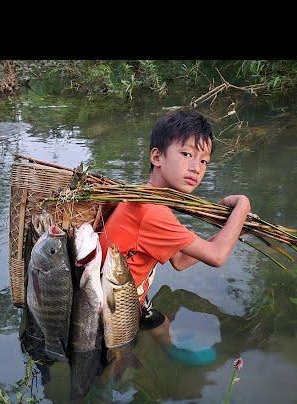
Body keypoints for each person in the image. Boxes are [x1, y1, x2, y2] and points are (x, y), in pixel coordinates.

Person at [98, 109, 251, 333]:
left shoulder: (144, 195)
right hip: (112, 312)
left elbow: (179, 260)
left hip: (130, 300)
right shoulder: (152, 212)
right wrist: (243, 206)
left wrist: (235, 229)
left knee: (162, 329)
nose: (196, 169)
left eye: (204, 161)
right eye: (187, 154)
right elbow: (217, 256)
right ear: (157, 157)